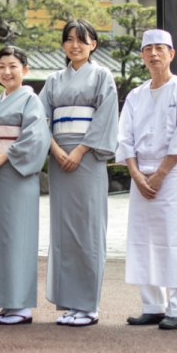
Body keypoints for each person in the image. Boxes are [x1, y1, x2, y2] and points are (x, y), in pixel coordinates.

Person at [117, 29, 177, 331]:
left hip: (173, 176)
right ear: (142, 56)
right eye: (148, 49)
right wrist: (137, 174)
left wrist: (161, 173)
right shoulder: (136, 95)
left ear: (171, 54)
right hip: (140, 177)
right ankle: (152, 306)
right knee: (143, 240)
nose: (154, 54)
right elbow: (124, 136)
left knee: (174, 240)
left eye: (160, 48)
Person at [39, 19, 118, 327]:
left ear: (93, 45)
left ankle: (88, 305)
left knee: (87, 229)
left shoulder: (102, 76)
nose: (75, 45)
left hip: (87, 157)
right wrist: (55, 150)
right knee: (64, 231)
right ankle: (71, 302)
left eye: (82, 40)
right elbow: (40, 118)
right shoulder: (53, 80)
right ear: (63, 45)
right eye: (69, 40)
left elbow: (106, 117)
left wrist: (81, 150)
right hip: (60, 157)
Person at [0, 46, 51, 326]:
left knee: (18, 237)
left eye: (13, 66)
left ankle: (21, 306)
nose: (7, 72)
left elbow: (35, 138)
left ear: (25, 70)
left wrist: (3, 156)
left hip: (17, 174)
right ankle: (7, 303)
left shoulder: (32, 101)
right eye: (1, 67)